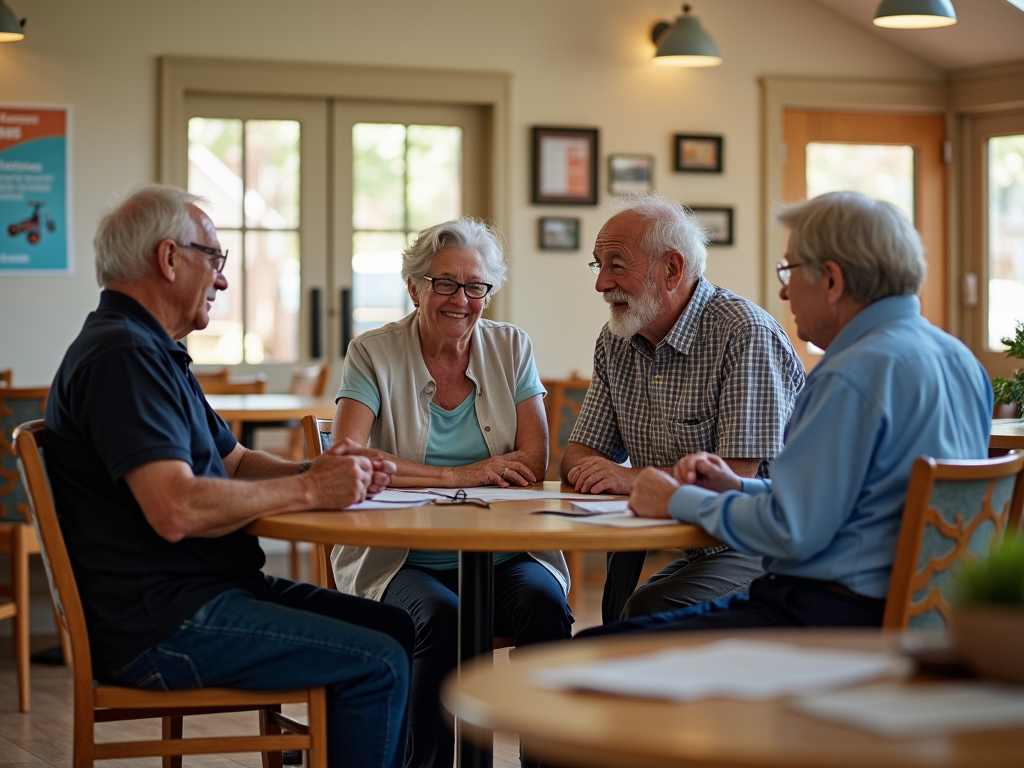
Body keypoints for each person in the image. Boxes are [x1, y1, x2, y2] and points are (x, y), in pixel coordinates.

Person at [43, 185, 413, 768]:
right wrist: (313, 490)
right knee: (380, 660)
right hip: (164, 625)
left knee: (396, 625)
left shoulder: (151, 349)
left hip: (205, 593)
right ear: (169, 259)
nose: (221, 279)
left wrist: (317, 468)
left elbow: (234, 461)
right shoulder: (123, 357)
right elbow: (176, 508)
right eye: (214, 259)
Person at [594, 190, 993, 635]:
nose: (783, 289)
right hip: (923, 620)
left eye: (789, 269)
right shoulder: (962, 363)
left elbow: (792, 530)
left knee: (589, 649)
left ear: (832, 281)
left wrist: (676, 498)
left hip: (828, 618)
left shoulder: (850, 375)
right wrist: (739, 487)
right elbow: (842, 504)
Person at [331, 217, 573, 768]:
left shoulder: (511, 347)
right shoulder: (373, 351)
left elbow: (534, 460)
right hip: (403, 560)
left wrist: (480, 471)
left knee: (545, 605)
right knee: (440, 617)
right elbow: (347, 456)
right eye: (443, 283)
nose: (459, 299)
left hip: (505, 554)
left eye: (475, 286)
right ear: (413, 285)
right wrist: (456, 476)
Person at [561, 194, 804, 622]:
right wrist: (602, 472)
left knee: (644, 610)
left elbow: (733, 478)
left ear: (671, 269)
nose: (600, 283)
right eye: (597, 265)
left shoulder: (744, 334)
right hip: (701, 541)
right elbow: (579, 454)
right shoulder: (615, 340)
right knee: (622, 615)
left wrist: (625, 477)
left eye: (616, 265)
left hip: (764, 543)